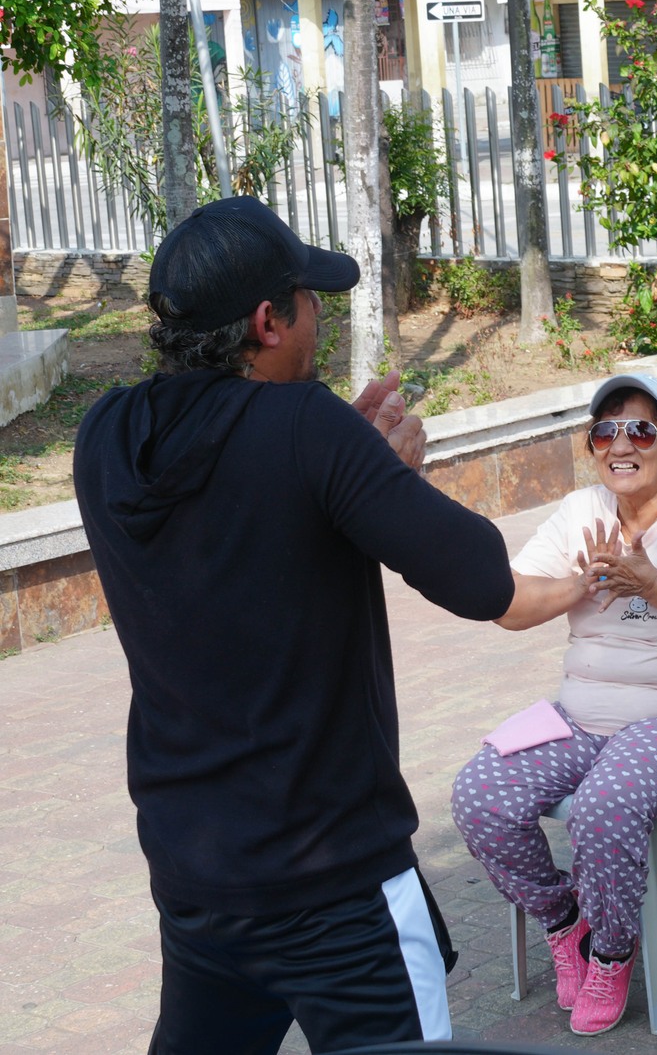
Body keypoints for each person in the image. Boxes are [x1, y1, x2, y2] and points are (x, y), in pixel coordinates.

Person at [74, 197, 514, 1050]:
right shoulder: (309, 428)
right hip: (337, 890)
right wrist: (379, 476)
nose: (320, 316)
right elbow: (482, 577)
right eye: (310, 300)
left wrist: (341, 474)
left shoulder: (106, 438)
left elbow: (241, 507)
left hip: (198, 880)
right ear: (268, 322)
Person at [452, 373, 657, 1035]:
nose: (621, 444)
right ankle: (565, 920)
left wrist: (651, 581)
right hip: (581, 718)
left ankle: (612, 951)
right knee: (480, 793)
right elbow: (510, 605)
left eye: (641, 430)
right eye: (605, 430)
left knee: (606, 800)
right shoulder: (582, 512)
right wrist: (579, 584)